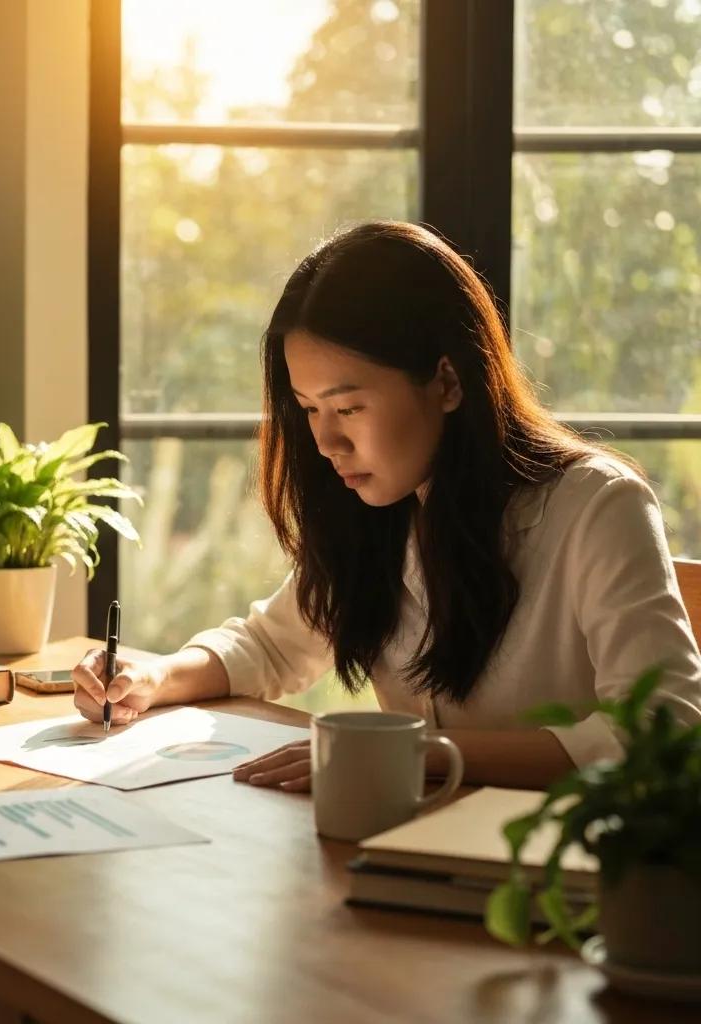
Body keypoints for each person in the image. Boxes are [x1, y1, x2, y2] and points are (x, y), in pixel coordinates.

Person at [72, 220, 701, 792]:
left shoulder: (597, 506)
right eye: (310, 409)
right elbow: (271, 645)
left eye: (349, 407)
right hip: (411, 839)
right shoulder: (377, 507)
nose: (326, 442)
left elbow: (663, 730)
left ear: (447, 382)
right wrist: (153, 678)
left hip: (565, 864)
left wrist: (416, 752)